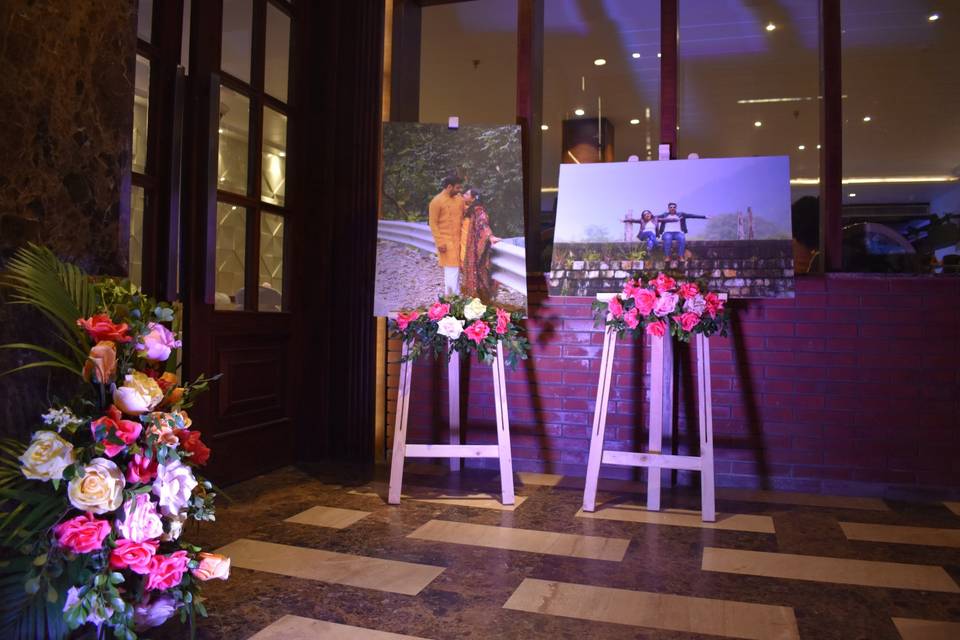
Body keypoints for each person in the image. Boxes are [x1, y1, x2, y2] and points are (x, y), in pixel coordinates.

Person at [460, 188, 501, 301]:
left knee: (478, 273)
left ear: (473, 198)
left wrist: (490, 236)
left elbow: (483, 223)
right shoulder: (471, 210)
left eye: (467, 194)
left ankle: (479, 301)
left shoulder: (479, 211)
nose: (464, 195)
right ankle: (472, 301)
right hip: (468, 248)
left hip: (473, 249)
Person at [428, 175, 466, 294]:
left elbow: (467, 213)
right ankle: (452, 299)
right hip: (446, 243)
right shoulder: (436, 201)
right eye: (457, 188)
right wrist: (439, 242)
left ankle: (453, 300)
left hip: (461, 241)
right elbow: (433, 224)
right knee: (451, 269)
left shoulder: (459, 199)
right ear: (449, 187)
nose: (459, 190)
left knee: (457, 270)